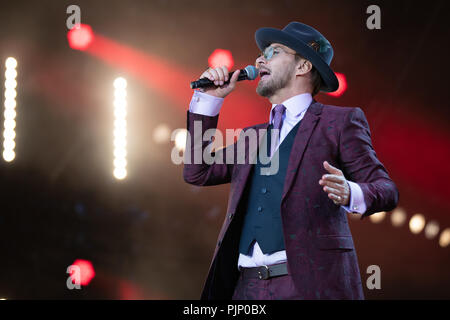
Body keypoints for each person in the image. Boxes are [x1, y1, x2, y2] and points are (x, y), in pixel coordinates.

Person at [183, 22, 399, 300]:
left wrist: (351, 192)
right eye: (262, 53)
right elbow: (197, 171)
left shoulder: (339, 122)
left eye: (273, 52)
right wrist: (208, 101)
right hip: (245, 286)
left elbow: (386, 189)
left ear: (303, 66)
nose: (260, 59)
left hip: (307, 285)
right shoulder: (252, 137)